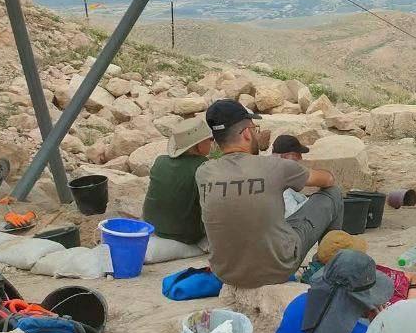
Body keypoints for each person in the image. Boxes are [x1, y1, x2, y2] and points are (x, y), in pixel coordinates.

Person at [197, 99, 344, 288]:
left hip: (226, 274)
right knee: (333, 194)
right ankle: (322, 268)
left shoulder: (204, 173)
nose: (256, 134)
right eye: (255, 129)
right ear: (247, 133)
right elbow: (328, 180)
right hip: (279, 267)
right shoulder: (276, 166)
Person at [142, 116, 214, 250]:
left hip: (154, 227)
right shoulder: (204, 167)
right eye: (210, 139)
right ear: (199, 146)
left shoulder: (160, 162)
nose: (212, 142)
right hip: (186, 235)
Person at [271, 134, 311, 219]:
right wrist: (314, 201)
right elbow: (292, 215)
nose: (301, 158)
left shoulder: (270, 168)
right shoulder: (278, 178)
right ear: (285, 157)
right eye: (298, 155)